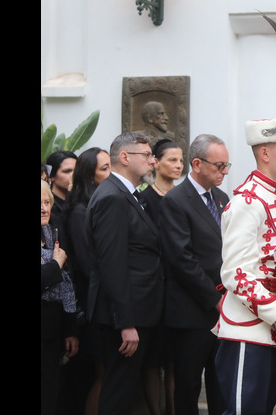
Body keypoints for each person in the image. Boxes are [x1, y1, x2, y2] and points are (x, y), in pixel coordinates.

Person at [214, 118, 276, 415]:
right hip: (249, 329)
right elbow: (236, 274)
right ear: (266, 154)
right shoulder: (248, 202)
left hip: (269, 327)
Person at [86, 132, 165, 415]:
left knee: (125, 389)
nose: (152, 161)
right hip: (123, 315)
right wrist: (126, 322)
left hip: (136, 310)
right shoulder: (113, 198)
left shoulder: (125, 194)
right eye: (146, 155)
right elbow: (113, 263)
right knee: (118, 391)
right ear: (124, 157)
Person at [160, 134, 231, 415]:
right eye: (219, 166)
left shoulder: (222, 198)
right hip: (192, 311)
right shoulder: (176, 201)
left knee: (220, 381)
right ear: (198, 164)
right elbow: (182, 259)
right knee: (188, 384)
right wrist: (213, 298)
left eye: (227, 166)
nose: (224, 172)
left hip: (224, 307)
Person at [135, 138, 183, 415]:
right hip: (154, 288)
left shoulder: (183, 197)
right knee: (152, 360)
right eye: (172, 160)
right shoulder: (144, 199)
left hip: (180, 289)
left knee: (175, 360)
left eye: (180, 160)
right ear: (156, 162)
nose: (178, 165)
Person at [62, 146, 111, 415]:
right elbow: (88, 263)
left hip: (103, 299)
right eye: (104, 169)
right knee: (101, 374)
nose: (111, 173)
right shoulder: (81, 211)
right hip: (93, 303)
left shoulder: (98, 203)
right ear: (90, 176)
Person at [42, 179, 79, 415]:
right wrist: (56, 264)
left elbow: (68, 285)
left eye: (47, 202)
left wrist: (71, 330)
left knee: (50, 392)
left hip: (52, 332)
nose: (44, 208)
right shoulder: (55, 251)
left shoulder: (51, 233)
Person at [46, 149, 78, 228]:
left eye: (77, 170)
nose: (74, 175)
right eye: (67, 171)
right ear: (52, 176)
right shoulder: (47, 207)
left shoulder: (83, 201)